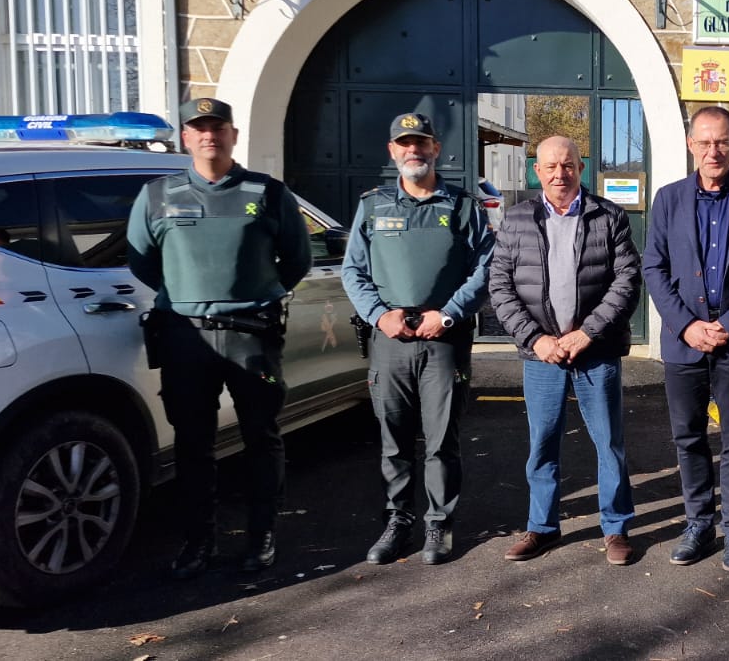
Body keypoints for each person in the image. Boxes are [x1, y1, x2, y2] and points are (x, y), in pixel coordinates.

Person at [127, 98, 312, 578]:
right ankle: (198, 539)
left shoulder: (267, 193)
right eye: (199, 127)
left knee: (261, 438)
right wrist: (187, 296)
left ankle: (261, 535)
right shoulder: (158, 194)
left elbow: (297, 260)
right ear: (185, 138)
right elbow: (142, 261)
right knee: (193, 444)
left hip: (251, 334)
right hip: (185, 337)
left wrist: (255, 294)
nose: (209, 135)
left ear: (233, 135)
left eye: (218, 127)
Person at [341, 112, 494, 566]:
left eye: (422, 143)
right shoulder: (372, 206)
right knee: (393, 438)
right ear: (393, 151)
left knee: (441, 437)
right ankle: (398, 519)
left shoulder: (463, 206)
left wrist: (447, 315)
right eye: (405, 143)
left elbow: (486, 268)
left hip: (443, 340)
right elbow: (353, 270)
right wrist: (378, 315)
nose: (414, 150)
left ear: (435, 149)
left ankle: (439, 523)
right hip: (390, 339)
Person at [488, 136, 642, 566]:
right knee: (543, 443)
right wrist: (536, 339)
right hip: (541, 355)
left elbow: (627, 281)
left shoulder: (609, 216)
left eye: (569, 165)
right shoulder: (516, 220)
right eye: (551, 166)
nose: (560, 174)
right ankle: (542, 527)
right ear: (536, 171)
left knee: (609, 443)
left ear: (581, 168)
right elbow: (499, 287)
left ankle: (615, 528)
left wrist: (587, 333)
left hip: (595, 350)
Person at [643, 106, 729, 572]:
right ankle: (698, 522)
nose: (712, 151)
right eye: (703, 142)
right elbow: (654, 269)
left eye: (721, 141)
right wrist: (686, 325)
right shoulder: (668, 199)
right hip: (685, 339)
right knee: (688, 438)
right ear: (690, 145)